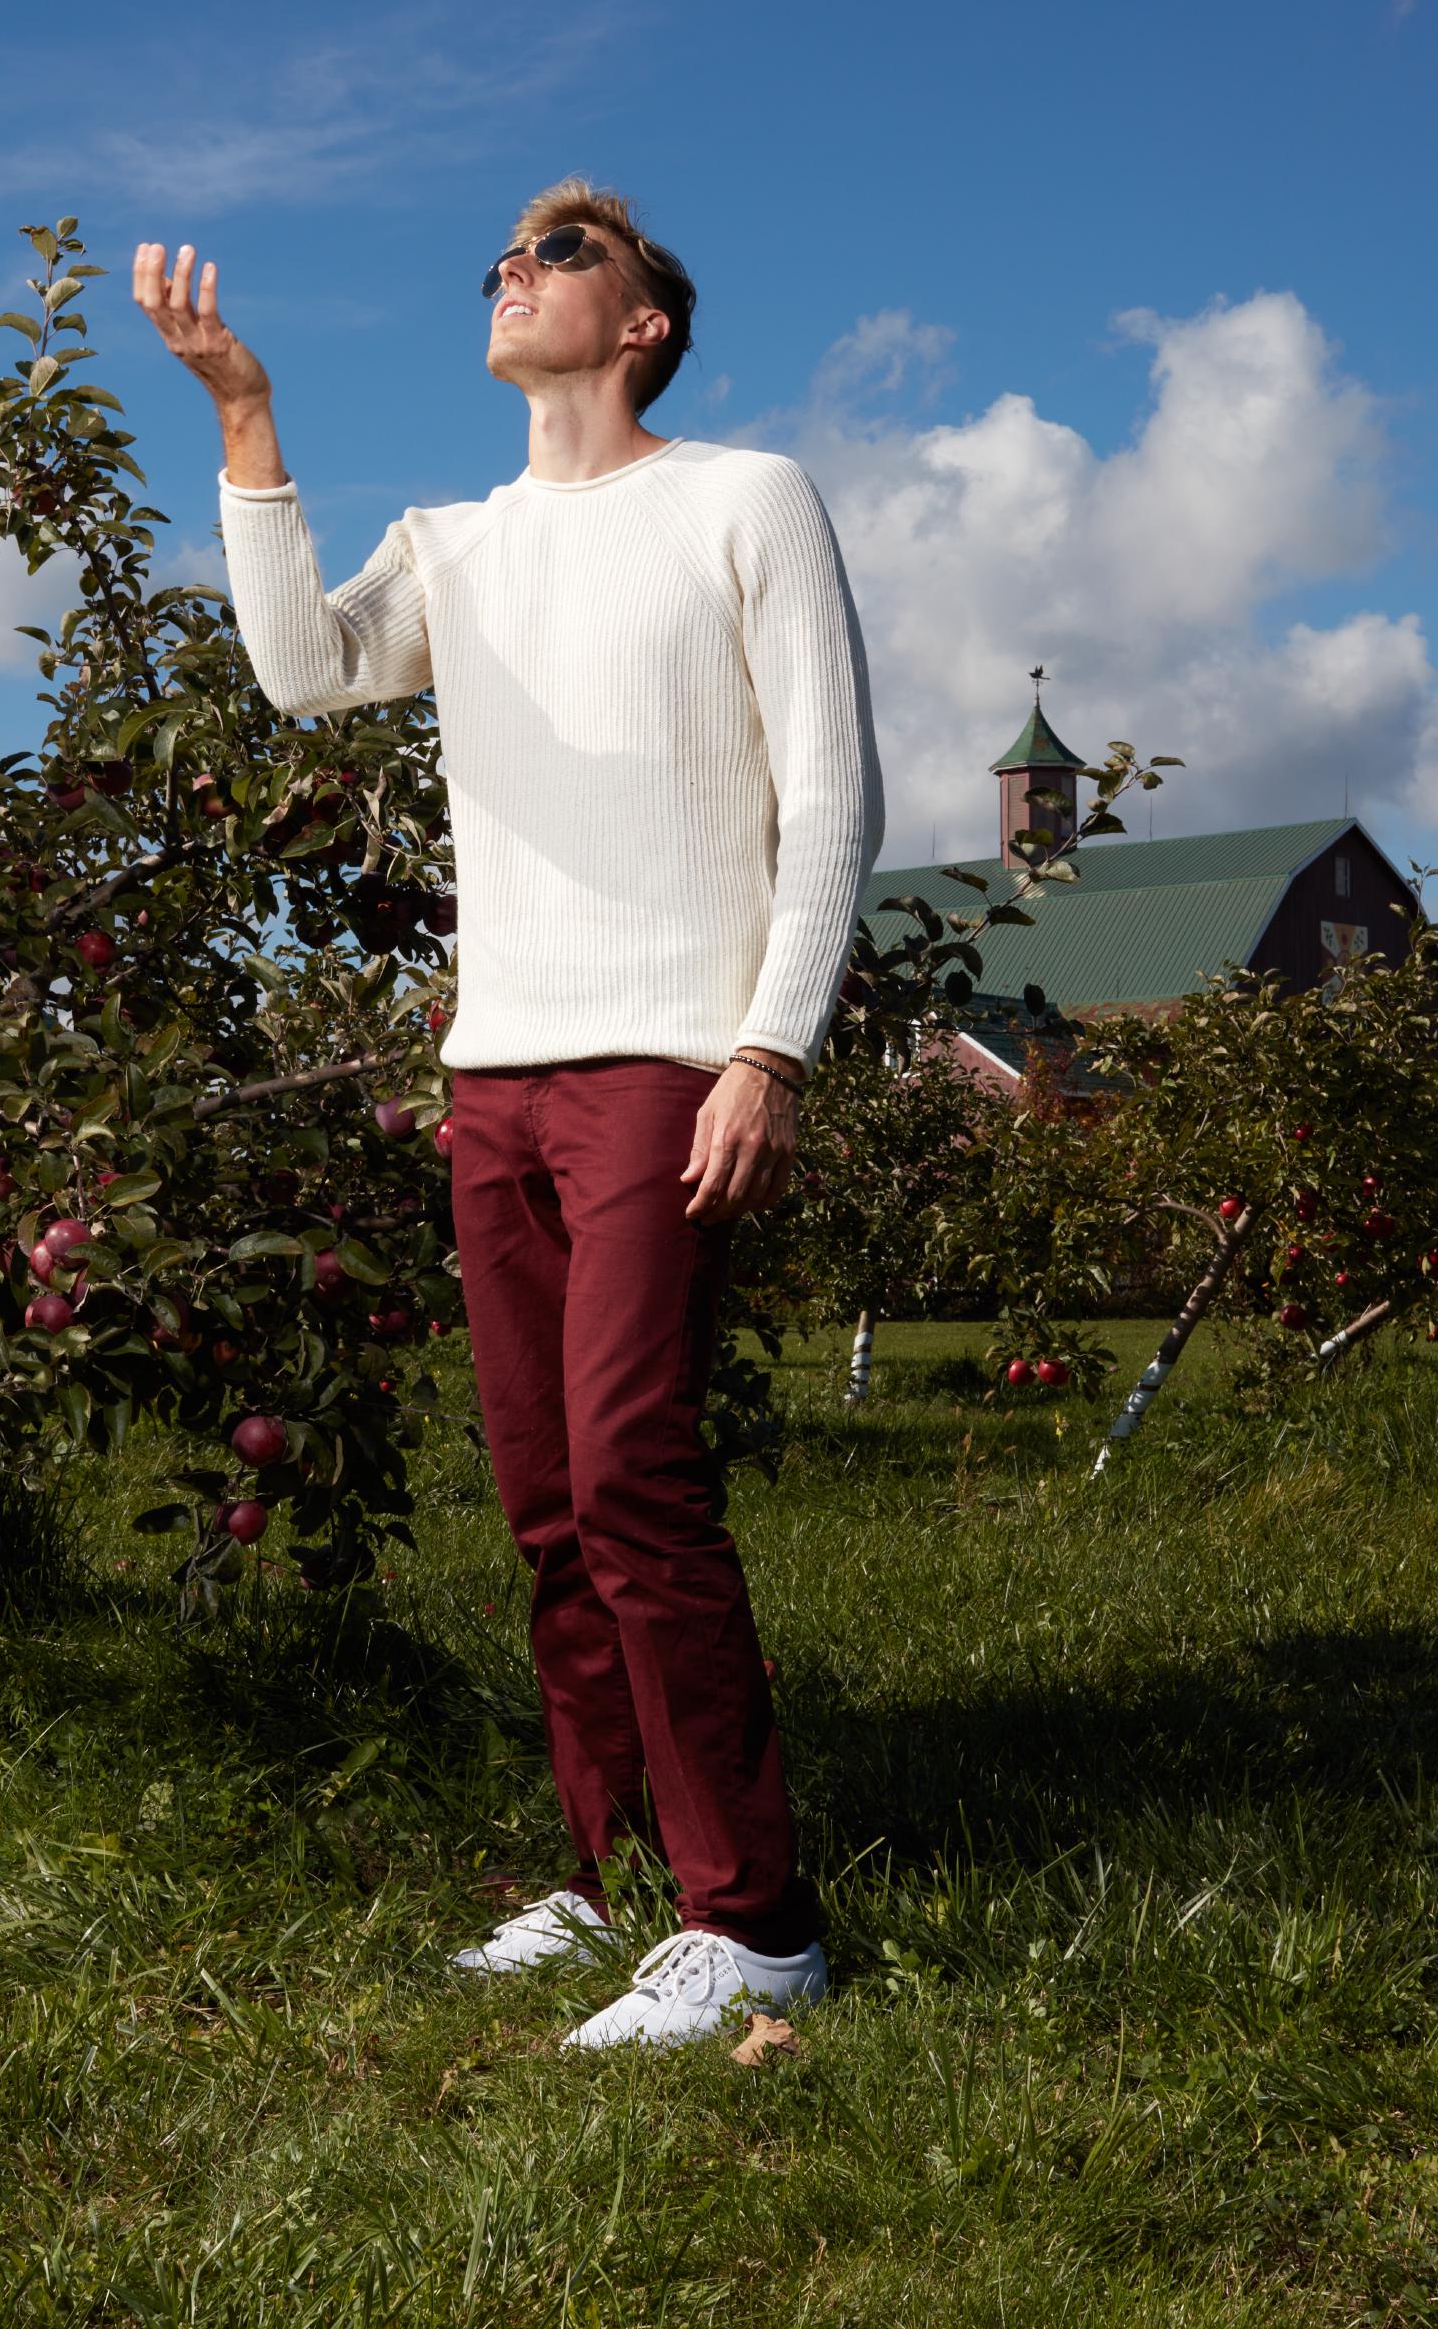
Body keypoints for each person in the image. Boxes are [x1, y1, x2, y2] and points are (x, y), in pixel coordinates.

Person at [135, 181, 882, 2050]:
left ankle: (758, 1921)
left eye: (562, 254)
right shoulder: (450, 546)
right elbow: (306, 667)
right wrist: (243, 414)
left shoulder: (744, 498)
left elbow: (835, 797)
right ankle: (612, 1872)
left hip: (665, 1066)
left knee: (637, 1471)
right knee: (548, 1507)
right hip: (493, 1077)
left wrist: (770, 1050)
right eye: (504, 257)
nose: (517, 272)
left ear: (641, 320)